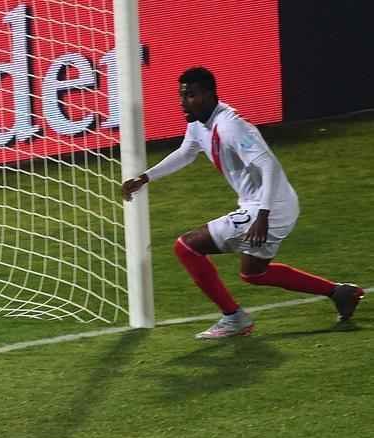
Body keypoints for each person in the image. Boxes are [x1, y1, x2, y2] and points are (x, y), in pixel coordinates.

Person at [122, 66, 364, 338]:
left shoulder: (231, 127)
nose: (183, 102)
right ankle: (340, 292)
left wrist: (263, 215)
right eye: (182, 96)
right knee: (254, 273)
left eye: (190, 96)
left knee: (186, 248)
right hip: (273, 204)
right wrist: (146, 177)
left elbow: (268, 167)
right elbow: (187, 153)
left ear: (209, 95)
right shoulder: (199, 123)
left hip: (268, 207)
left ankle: (234, 318)